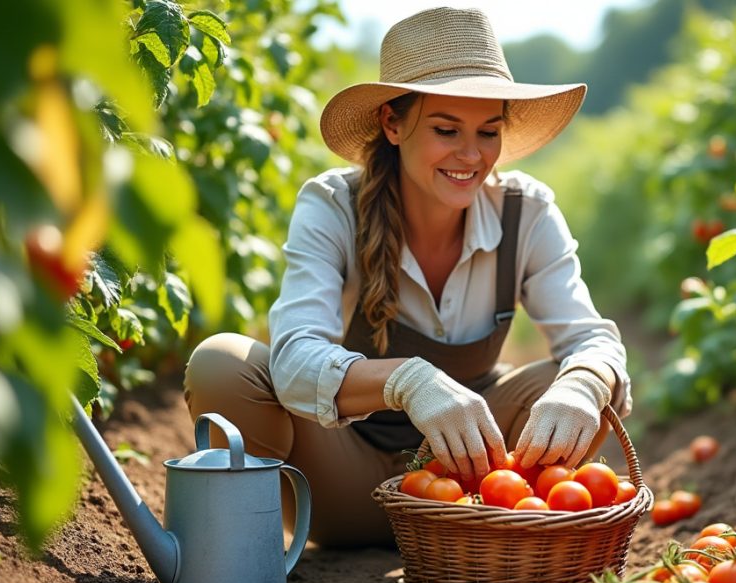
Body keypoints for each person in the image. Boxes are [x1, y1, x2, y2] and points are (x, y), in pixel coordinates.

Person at [183, 7, 631, 547]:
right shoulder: (334, 206)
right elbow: (296, 357)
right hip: (342, 484)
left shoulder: (526, 213)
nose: (472, 155)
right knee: (221, 366)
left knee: (575, 381)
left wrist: (582, 385)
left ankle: (496, 537)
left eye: (488, 132)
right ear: (393, 124)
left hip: (478, 489)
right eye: (446, 130)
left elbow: (591, 338)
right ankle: (245, 554)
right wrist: (407, 381)